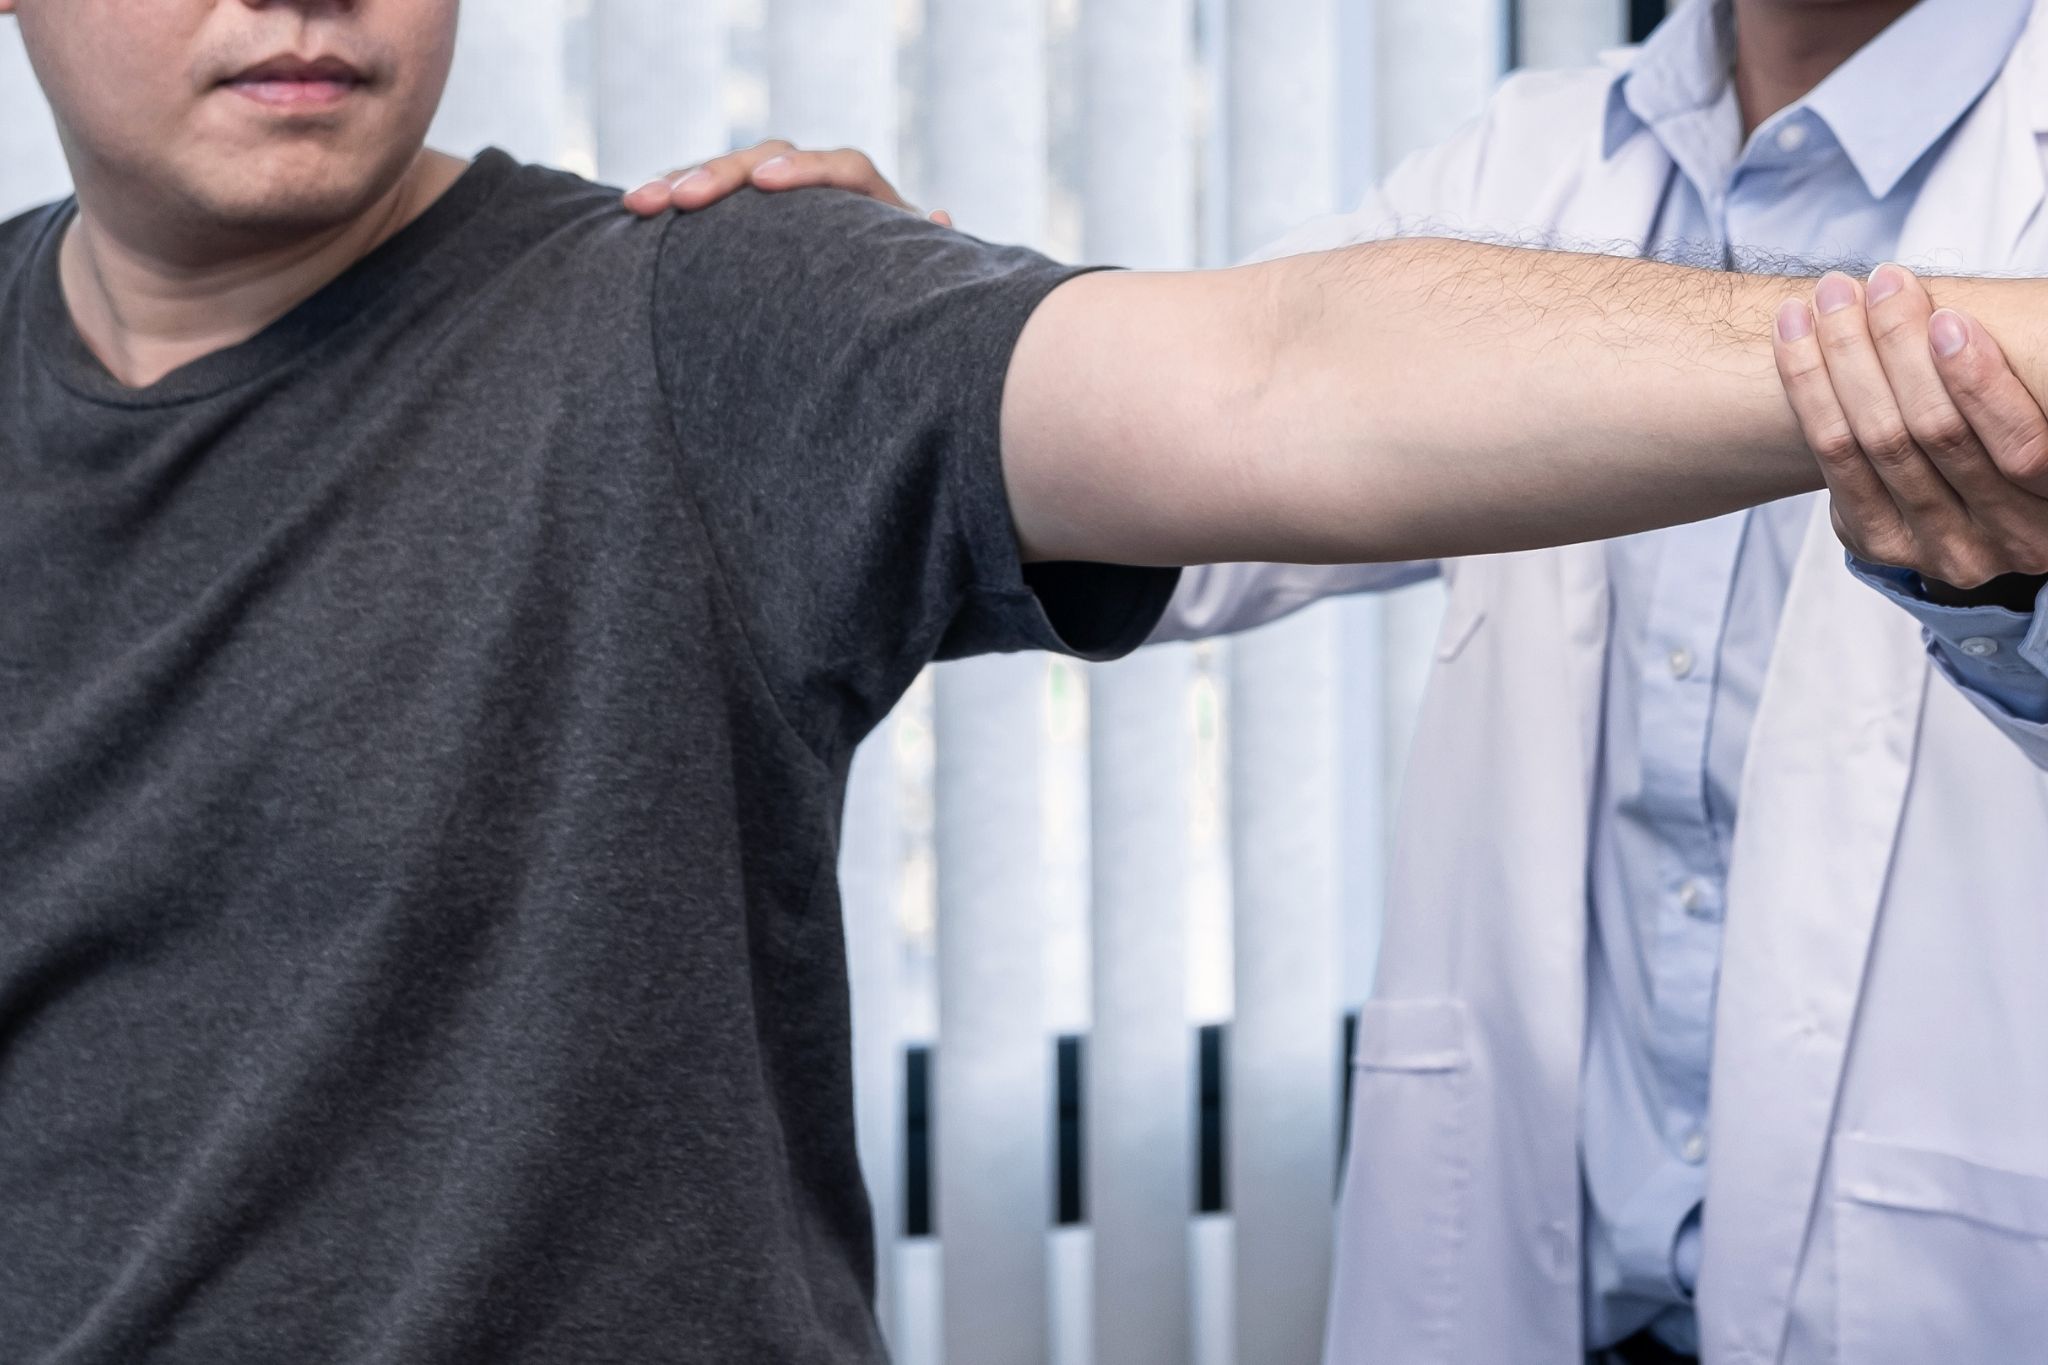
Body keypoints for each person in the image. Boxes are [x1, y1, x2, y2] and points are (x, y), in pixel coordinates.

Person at [2, 1, 2043, 1362]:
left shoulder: (687, 306)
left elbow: (1276, 389)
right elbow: (1185, 436)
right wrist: (948, 378)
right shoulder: (1538, 158)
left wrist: (869, 358)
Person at [659, 1, 2048, 1362]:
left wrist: (2015, 618)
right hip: (1546, 1296)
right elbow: (1216, 441)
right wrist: (917, 343)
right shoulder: (1534, 156)